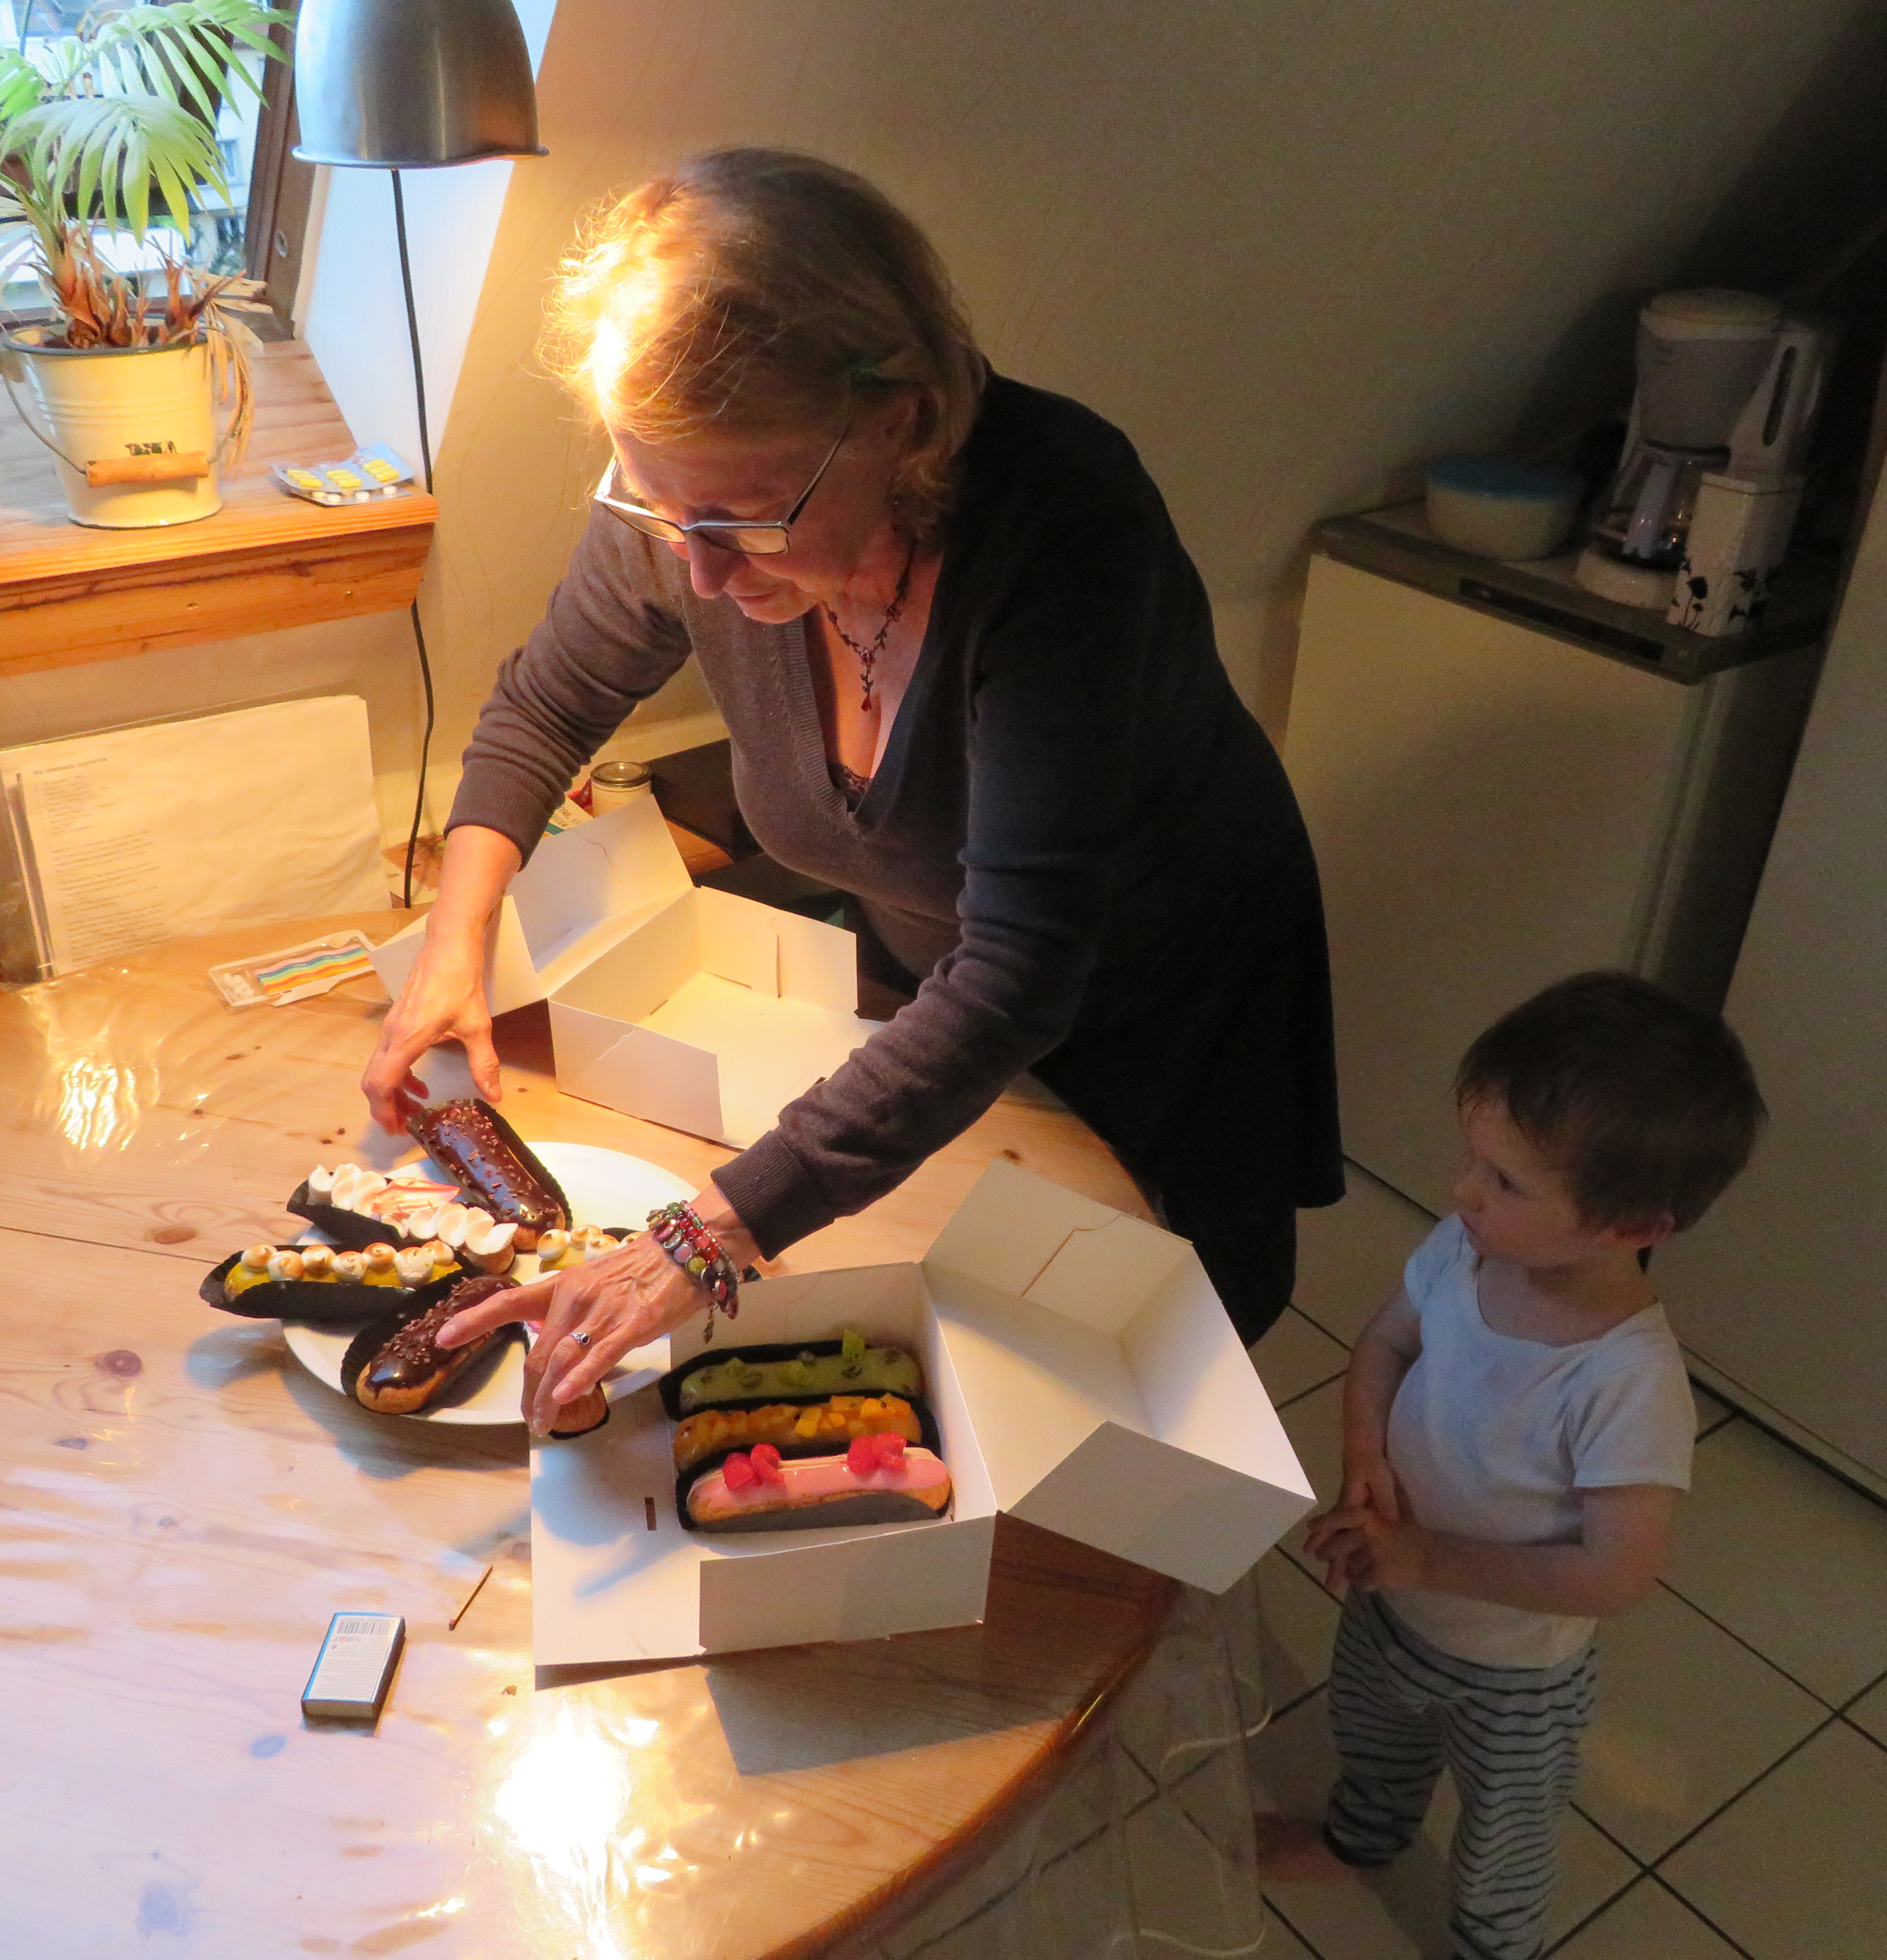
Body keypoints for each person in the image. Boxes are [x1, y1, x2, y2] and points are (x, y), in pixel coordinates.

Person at [359, 147, 1342, 1433]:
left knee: (1138, 1379)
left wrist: (703, 1239)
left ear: (903, 423)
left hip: (1160, 988)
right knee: (955, 1345)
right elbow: (546, 707)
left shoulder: (1066, 526)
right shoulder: (691, 496)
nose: (701, 573)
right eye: (657, 508)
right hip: (947, 991)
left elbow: (1016, 972)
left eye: (747, 516)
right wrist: (455, 945)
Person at [1259, 970, 1763, 1960]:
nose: (1463, 1190)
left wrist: (1427, 1559)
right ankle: (1362, 1837)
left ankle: (1494, 1946)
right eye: (1473, 1158)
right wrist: (1365, 1452)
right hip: (1392, 1600)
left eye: (1506, 1182)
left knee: (1504, 1839)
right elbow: (1386, 1344)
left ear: (1636, 1229)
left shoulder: (1627, 1383)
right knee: (1372, 1738)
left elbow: (1617, 1575)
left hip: (1515, 1674)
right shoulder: (1466, 1249)